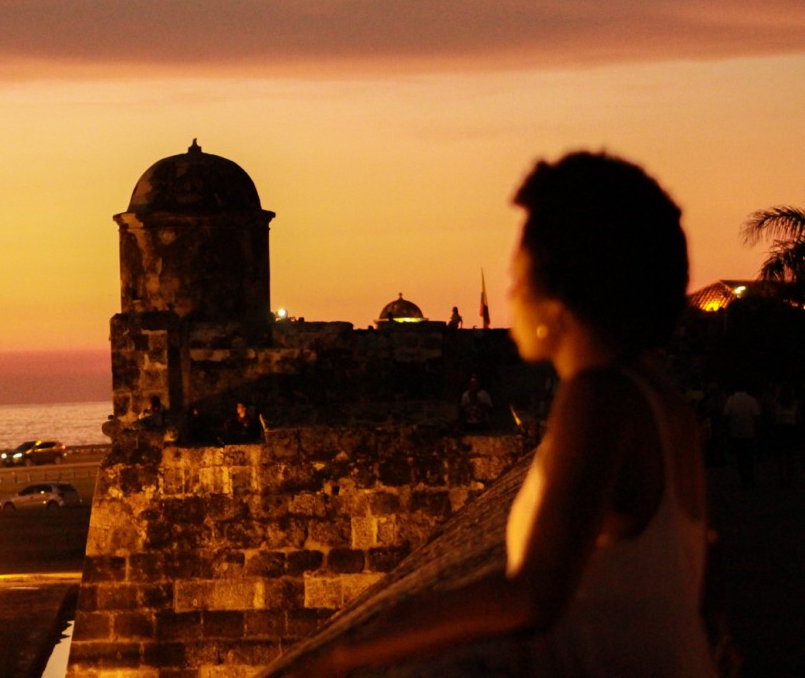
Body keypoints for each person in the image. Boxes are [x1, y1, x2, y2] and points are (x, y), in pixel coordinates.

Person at [283, 152, 714, 677]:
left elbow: (533, 595)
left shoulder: (602, 396)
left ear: (559, 292)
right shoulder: (657, 396)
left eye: (519, 276)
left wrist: (345, 652)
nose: (511, 293)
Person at [724, 385, 760, 489]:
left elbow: (726, 415)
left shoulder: (731, 400)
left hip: (736, 432)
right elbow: (757, 415)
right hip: (749, 432)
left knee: (740, 457)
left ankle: (743, 479)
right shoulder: (751, 400)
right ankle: (750, 479)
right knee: (749, 457)